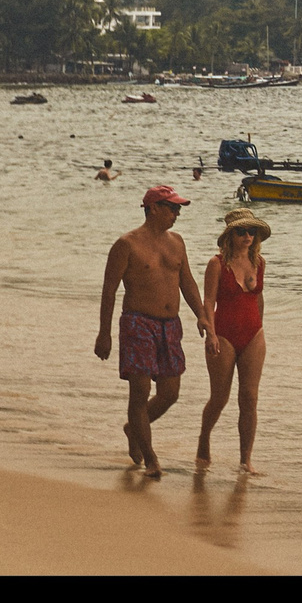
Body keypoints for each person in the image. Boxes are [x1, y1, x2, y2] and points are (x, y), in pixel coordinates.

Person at [95, 185, 209, 478]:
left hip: (170, 325)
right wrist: (104, 333)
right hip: (138, 323)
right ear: (154, 208)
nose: (177, 214)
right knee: (140, 392)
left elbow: (187, 282)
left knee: (170, 393)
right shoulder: (126, 244)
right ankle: (151, 459)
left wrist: (202, 315)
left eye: (178, 208)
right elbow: (109, 290)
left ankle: (133, 428)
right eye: (173, 208)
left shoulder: (177, 242)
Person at [196, 208, 272, 475]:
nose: (247, 236)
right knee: (220, 398)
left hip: (253, 334)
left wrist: (260, 328)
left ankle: (245, 460)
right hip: (223, 334)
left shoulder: (259, 262)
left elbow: (258, 299)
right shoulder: (217, 264)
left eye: (252, 231)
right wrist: (211, 334)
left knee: (249, 398)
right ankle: (204, 439)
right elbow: (208, 301)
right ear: (230, 235)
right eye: (241, 231)